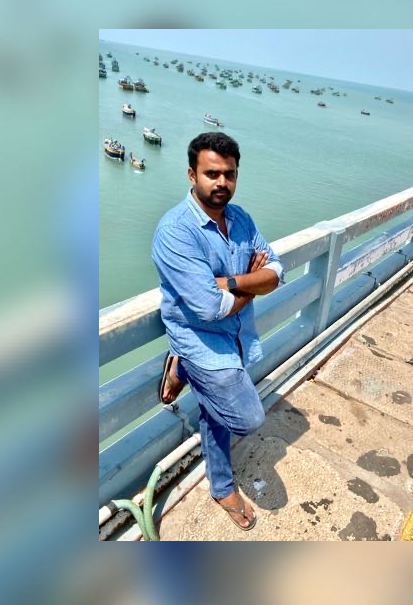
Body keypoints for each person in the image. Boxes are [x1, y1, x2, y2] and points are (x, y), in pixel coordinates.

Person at [151, 132, 284, 531]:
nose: (222, 182)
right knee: (246, 418)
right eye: (212, 174)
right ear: (192, 175)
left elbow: (277, 270)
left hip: (239, 335)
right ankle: (185, 363)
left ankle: (221, 485)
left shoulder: (241, 219)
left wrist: (227, 283)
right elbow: (209, 308)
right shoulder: (176, 232)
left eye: (230, 174)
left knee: (215, 408)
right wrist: (251, 284)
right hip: (200, 340)